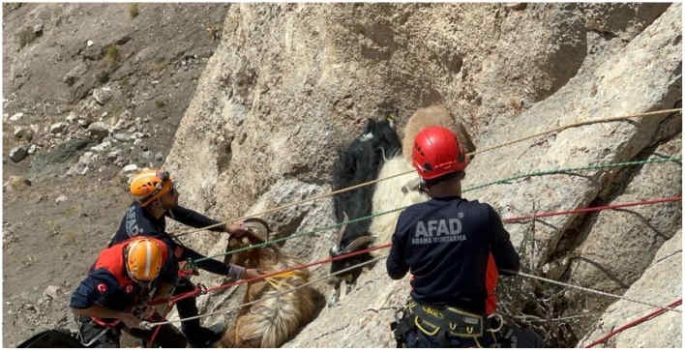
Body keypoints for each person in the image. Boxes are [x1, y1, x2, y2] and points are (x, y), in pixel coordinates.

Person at [387, 126, 541, 348]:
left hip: (422, 335)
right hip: (470, 337)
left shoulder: (408, 219)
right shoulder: (481, 216)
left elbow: (395, 271)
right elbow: (510, 267)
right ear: (461, 163)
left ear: (421, 172)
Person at [109, 168, 260, 347]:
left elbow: (185, 215)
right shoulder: (151, 235)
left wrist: (225, 227)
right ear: (156, 202)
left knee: (183, 287)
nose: (176, 193)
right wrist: (240, 273)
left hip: (133, 270)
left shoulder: (144, 206)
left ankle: (197, 337)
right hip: (128, 284)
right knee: (158, 325)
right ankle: (180, 340)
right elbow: (191, 257)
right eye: (171, 191)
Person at [70, 237, 187, 348]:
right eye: (138, 280)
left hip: (131, 305)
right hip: (99, 315)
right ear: (127, 264)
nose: (143, 283)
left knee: (176, 341)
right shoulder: (107, 272)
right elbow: (78, 307)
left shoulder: (157, 250)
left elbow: (171, 276)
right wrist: (121, 316)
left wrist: (150, 302)